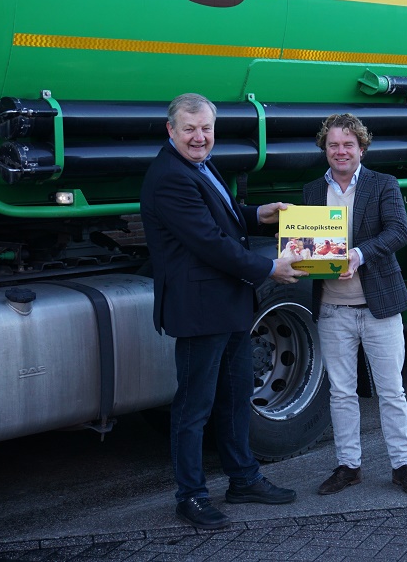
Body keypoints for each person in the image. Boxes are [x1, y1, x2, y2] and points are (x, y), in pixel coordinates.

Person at [140, 93, 307, 530]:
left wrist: (258, 215)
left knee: (235, 398)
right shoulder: (170, 177)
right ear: (170, 131)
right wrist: (271, 267)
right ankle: (190, 496)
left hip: (228, 303)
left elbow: (224, 219)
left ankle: (243, 478)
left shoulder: (198, 165)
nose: (200, 137)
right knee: (194, 407)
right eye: (190, 129)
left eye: (206, 129)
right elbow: (209, 243)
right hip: (200, 310)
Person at [303, 113, 407, 497]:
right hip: (332, 310)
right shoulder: (310, 191)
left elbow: (398, 232)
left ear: (361, 148)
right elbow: (309, 246)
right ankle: (348, 466)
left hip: (379, 307)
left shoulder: (383, 184)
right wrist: (299, 260)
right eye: (333, 145)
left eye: (348, 145)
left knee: (391, 390)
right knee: (340, 392)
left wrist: (358, 253)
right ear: (325, 147)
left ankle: (402, 465)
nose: (340, 151)